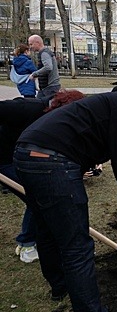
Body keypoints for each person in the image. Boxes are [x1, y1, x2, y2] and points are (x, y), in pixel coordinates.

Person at [13, 78, 117, 312]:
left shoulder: (116, 103)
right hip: (53, 163)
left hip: (26, 154)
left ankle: (60, 286)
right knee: (77, 246)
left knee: (48, 229)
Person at [0, 90, 85, 263]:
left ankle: (38, 238)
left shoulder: (55, 119)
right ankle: (27, 244)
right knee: (37, 197)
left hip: (26, 159)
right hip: (5, 159)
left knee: (41, 197)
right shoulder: (27, 107)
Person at [27, 34, 61, 100]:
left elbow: (48, 67)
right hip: (47, 87)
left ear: (37, 43)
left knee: (42, 106)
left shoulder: (44, 53)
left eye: (31, 44)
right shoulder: (44, 52)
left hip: (50, 87)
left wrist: (34, 74)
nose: (30, 47)